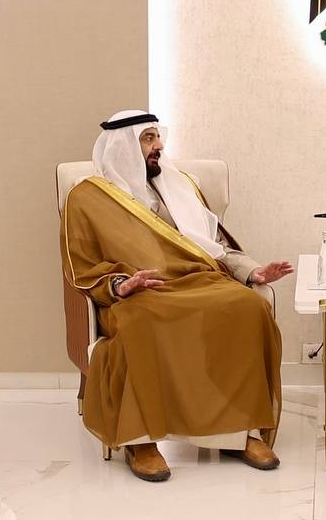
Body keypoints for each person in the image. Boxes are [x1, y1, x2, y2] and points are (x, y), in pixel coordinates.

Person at [62, 109, 290, 482]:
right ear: (122, 146)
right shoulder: (86, 198)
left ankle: (240, 432)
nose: (159, 146)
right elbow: (82, 267)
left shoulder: (179, 185)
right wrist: (121, 285)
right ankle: (140, 440)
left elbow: (213, 245)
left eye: (158, 137)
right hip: (137, 294)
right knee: (143, 320)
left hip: (198, 279)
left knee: (248, 306)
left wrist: (252, 272)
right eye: (148, 138)